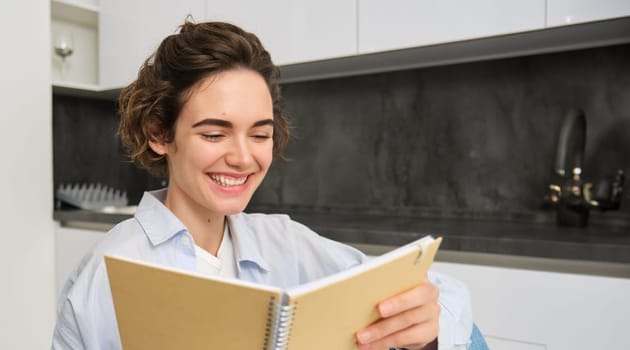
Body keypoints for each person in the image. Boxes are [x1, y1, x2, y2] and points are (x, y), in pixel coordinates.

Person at [52, 20, 474, 350]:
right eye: (214, 134)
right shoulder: (107, 275)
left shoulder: (283, 241)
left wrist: (424, 327)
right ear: (160, 134)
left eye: (259, 134)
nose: (242, 157)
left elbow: (438, 291)